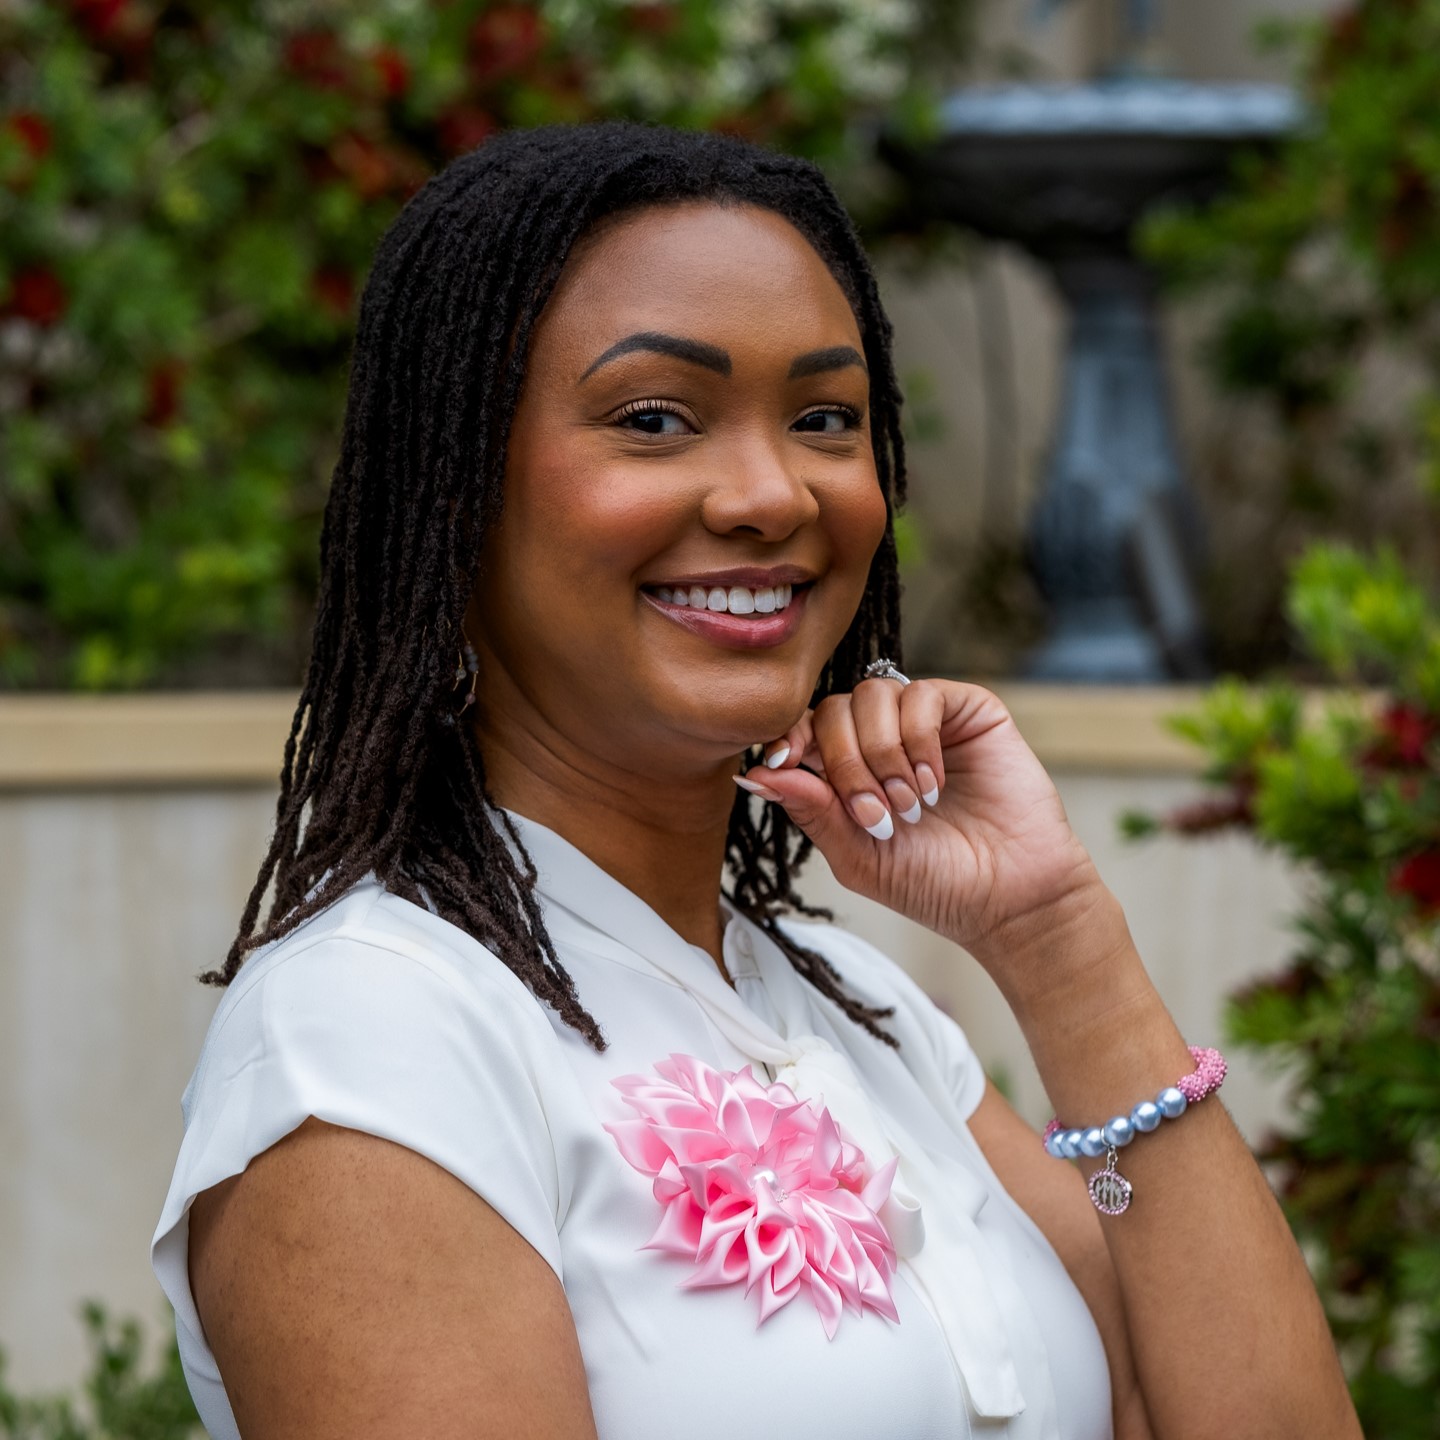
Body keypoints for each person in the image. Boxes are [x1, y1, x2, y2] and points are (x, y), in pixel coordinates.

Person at [151, 122, 1360, 1440]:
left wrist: (1057, 940)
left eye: (824, 418)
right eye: (654, 418)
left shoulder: (858, 1011)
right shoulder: (371, 1038)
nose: (772, 494)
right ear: (454, 487)